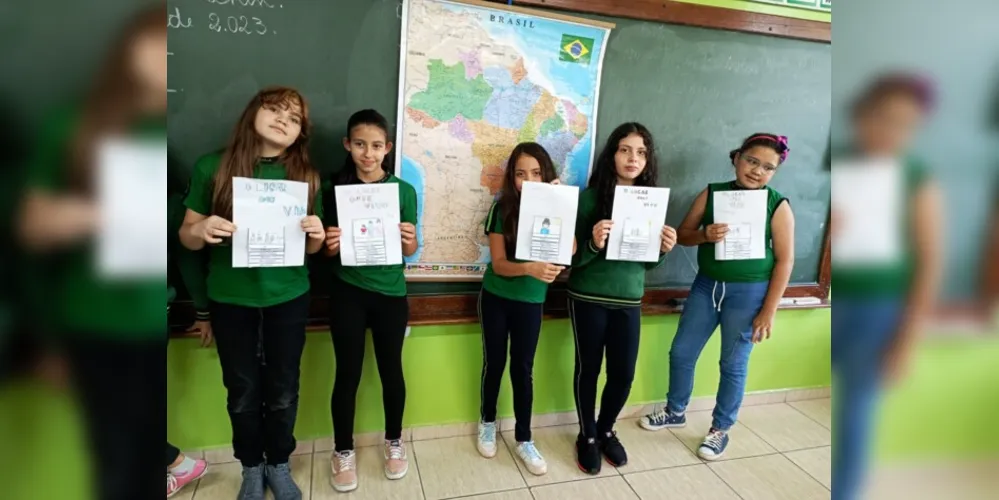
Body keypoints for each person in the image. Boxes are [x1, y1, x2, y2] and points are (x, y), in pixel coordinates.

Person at [17, 6, 169, 499]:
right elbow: (32, 225)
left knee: (148, 459)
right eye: (155, 42)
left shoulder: (167, 135)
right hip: (96, 324)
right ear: (129, 47)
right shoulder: (76, 122)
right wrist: (100, 215)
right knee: (116, 462)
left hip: (156, 320)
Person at [180, 86, 325, 500]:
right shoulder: (214, 167)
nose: (283, 120)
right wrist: (200, 229)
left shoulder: (307, 177)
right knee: (242, 391)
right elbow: (187, 238)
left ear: (301, 133)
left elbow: (313, 248)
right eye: (275, 110)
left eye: (294, 118)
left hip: (288, 299)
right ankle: (250, 466)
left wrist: (315, 234)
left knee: (283, 389)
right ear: (253, 113)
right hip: (231, 301)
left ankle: (278, 463)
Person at [640, 133, 795, 462]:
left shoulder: (776, 204)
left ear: (774, 173)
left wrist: (769, 311)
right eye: (752, 161)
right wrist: (704, 235)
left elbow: (786, 260)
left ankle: (720, 428)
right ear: (737, 157)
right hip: (706, 286)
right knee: (682, 352)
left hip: (749, 293)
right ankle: (675, 410)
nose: (757, 171)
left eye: (768, 167)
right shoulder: (712, 193)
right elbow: (682, 235)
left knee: (733, 364)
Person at [828, 74, 941, 500]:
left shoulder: (915, 175)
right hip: (832, 303)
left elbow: (931, 262)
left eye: (906, 124)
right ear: (862, 115)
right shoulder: (840, 161)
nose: (891, 131)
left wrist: (908, 338)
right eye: (884, 118)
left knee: (856, 414)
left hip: (877, 311)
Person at [568, 123, 677, 474]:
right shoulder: (588, 199)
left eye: (641, 152)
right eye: (625, 150)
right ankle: (586, 435)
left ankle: (606, 428)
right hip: (587, 296)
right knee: (589, 369)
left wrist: (662, 249)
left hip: (629, 298)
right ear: (611, 153)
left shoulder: (651, 201)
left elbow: (646, 262)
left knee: (623, 373)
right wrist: (592, 243)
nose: (633, 158)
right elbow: (568, 258)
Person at [323, 109, 419, 493]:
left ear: (387, 148)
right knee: (347, 374)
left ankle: (394, 441)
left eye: (376, 145)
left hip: (391, 294)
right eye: (360, 144)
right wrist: (328, 244)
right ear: (348, 145)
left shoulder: (403, 191)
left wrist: (409, 237)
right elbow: (323, 250)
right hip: (347, 291)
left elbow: (410, 250)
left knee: (390, 370)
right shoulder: (331, 189)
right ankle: (342, 449)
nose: (368, 153)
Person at [476, 142, 575, 476]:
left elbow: (569, 252)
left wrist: (562, 207)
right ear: (512, 178)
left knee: (523, 369)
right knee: (495, 363)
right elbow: (500, 264)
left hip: (531, 302)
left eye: (536, 173)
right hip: (496, 297)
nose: (528, 180)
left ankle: (524, 438)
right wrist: (529, 268)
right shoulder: (501, 209)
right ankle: (488, 422)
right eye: (520, 174)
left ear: (547, 175)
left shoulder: (557, 207)